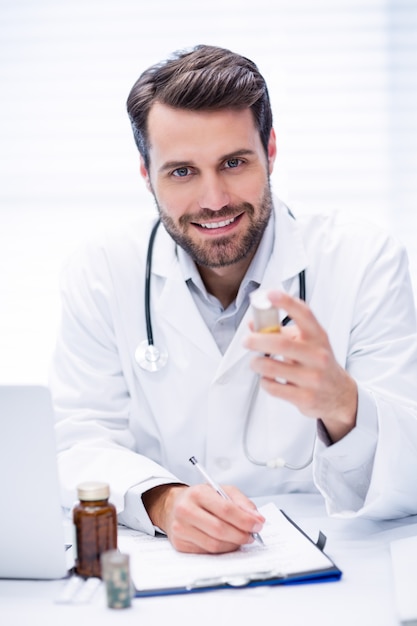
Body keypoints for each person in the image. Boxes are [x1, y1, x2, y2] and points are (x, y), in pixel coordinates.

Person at [50, 44, 417, 555]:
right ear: (145, 174)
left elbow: (412, 466)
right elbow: (75, 441)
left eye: (234, 162)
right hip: (168, 566)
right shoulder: (103, 271)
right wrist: (162, 500)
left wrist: (342, 403)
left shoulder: (363, 259)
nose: (214, 199)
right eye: (181, 172)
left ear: (269, 150)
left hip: (337, 565)